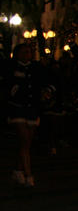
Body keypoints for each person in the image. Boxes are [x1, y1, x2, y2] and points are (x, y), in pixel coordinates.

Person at [6, 43, 56, 187]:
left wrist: (48, 90)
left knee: (28, 141)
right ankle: (28, 175)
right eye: (22, 52)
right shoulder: (11, 67)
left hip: (32, 108)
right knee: (24, 140)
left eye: (27, 52)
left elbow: (55, 79)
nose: (25, 55)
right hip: (17, 107)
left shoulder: (37, 68)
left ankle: (18, 169)